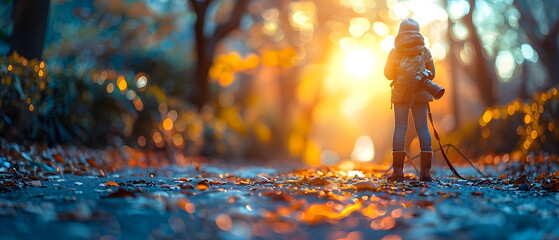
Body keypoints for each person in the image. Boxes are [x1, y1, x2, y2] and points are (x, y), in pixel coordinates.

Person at [383, 18, 436, 182]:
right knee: (423, 129)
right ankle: (425, 173)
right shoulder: (425, 51)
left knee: (400, 128)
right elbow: (432, 74)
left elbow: (388, 75)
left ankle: (398, 171)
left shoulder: (395, 51)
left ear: (400, 32)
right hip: (420, 94)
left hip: (401, 94)